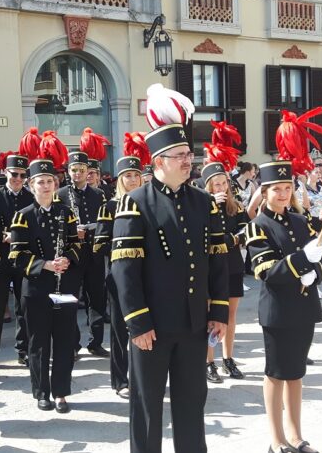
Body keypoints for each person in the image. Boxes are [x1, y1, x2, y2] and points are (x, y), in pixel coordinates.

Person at [110, 118, 229, 453]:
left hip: (194, 324)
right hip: (152, 327)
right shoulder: (135, 201)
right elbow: (124, 269)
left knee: (192, 402)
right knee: (147, 406)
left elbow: (218, 260)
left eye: (189, 154)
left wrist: (219, 311)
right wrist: (137, 322)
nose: (188, 160)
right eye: (180, 155)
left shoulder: (204, 202)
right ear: (159, 162)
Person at [245, 160, 322, 453]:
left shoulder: (300, 220)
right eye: (276, 189)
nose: (283, 194)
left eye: (287, 188)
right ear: (264, 192)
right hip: (278, 310)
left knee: (296, 372)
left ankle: (296, 436)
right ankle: (277, 439)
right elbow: (266, 270)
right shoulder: (258, 226)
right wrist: (303, 262)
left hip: (304, 306)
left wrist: (315, 272)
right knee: (276, 373)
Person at [10, 154, 81, 413]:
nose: (46, 186)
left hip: (64, 286)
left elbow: (76, 245)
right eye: (40, 182)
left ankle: (61, 392)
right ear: (31, 185)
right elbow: (16, 256)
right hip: (36, 289)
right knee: (39, 343)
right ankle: (42, 392)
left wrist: (67, 259)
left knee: (64, 341)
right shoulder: (22, 216)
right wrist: (46, 264)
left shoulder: (66, 213)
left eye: (50, 181)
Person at [94, 150, 146, 398]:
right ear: (120, 180)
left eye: (136, 175)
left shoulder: (149, 204)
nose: (133, 180)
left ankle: (142, 377)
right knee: (119, 331)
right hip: (120, 276)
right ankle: (120, 380)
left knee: (145, 328)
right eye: (128, 176)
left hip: (148, 276)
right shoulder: (110, 207)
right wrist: (127, 249)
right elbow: (99, 245)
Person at [0, 154, 35, 373]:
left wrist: (19, 236)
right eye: (14, 174)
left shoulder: (31, 197)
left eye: (22, 175)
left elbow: (36, 226)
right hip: (0, 260)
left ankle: (23, 351)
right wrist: (4, 234)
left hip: (23, 260)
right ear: (5, 173)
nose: (18, 179)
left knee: (24, 306)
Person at [56, 151, 108, 358]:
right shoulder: (60, 195)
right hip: (73, 254)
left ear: (88, 172)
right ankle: (73, 344)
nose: (77, 173)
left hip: (94, 253)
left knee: (96, 299)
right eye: (74, 170)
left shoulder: (99, 194)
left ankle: (96, 342)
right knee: (70, 299)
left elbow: (104, 222)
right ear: (68, 172)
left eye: (81, 170)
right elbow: (56, 226)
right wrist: (72, 231)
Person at [201, 162, 250, 383]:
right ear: (208, 187)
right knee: (210, 314)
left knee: (230, 314)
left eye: (223, 183)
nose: (221, 188)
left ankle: (228, 358)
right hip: (210, 266)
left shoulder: (236, 206)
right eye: (216, 184)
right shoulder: (201, 206)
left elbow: (245, 230)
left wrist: (231, 239)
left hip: (232, 264)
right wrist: (211, 204)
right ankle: (208, 361)